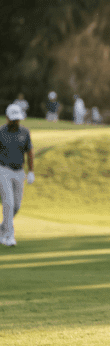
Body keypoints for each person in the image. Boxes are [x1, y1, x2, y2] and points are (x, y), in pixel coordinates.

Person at [0, 104, 34, 247]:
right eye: (13, 119)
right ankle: (9, 237)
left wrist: (31, 171)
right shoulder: (1, 132)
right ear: (7, 118)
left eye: (17, 120)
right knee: (8, 203)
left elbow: (30, 152)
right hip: (4, 170)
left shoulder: (25, 133)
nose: (15, 122)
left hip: (19, 172)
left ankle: (2, 230)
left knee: (16, 206)